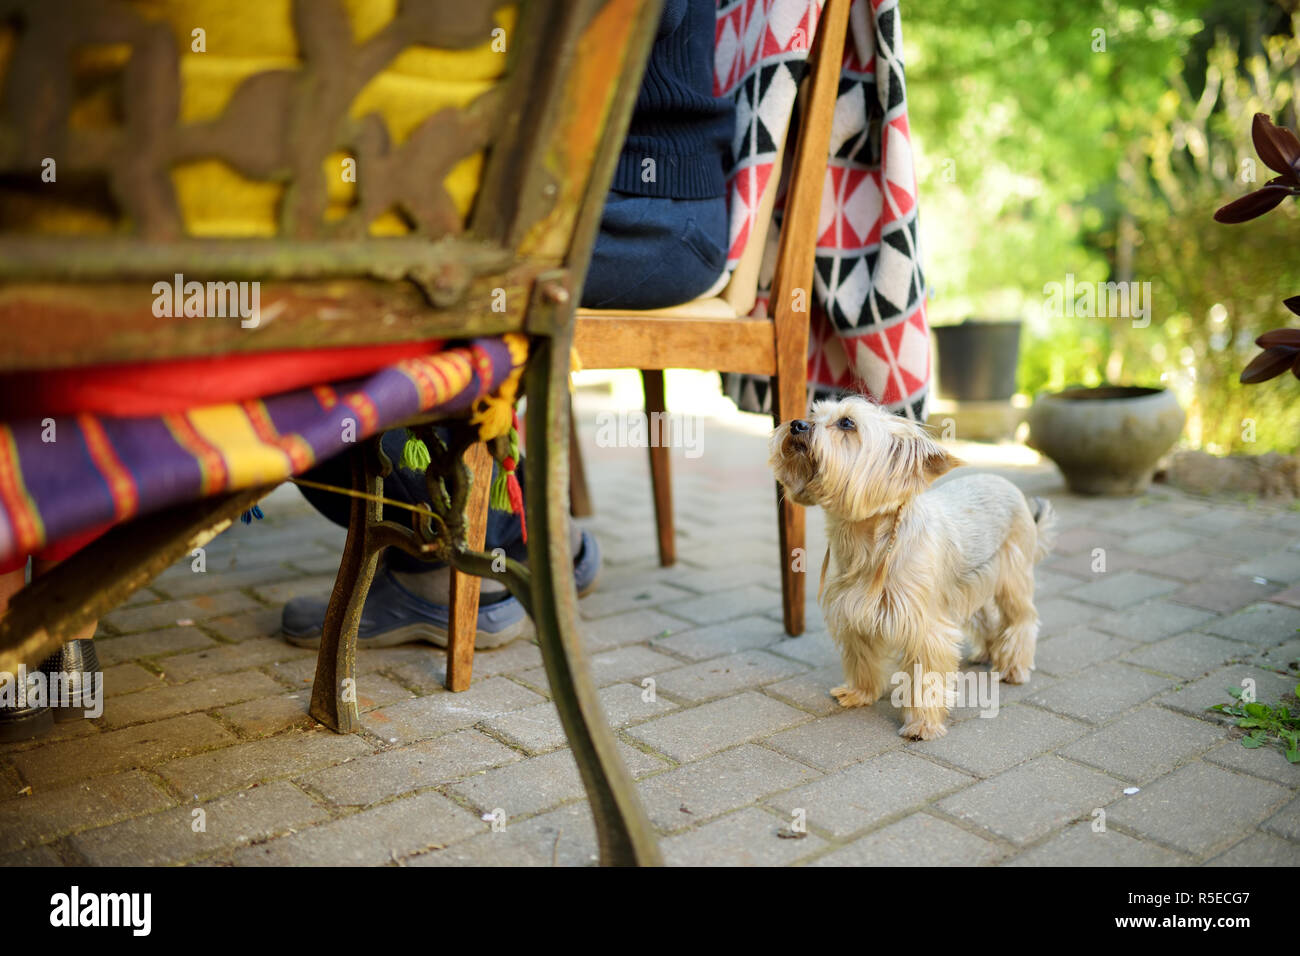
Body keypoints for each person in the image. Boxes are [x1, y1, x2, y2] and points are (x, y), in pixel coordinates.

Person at [279, 0, 734, 651]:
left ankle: (446, 563)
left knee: (369, 275)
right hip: (595, 198)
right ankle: (530, 535)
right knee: (349, 250)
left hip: (647, 214)